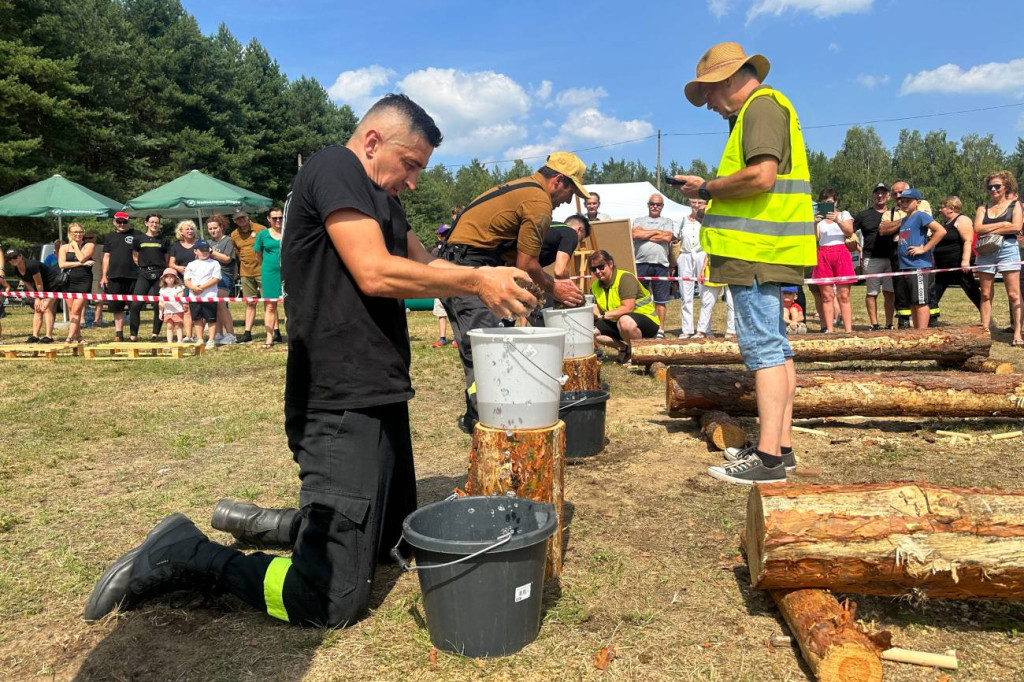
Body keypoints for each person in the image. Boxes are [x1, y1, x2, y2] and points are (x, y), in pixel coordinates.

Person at [83, 93, 536, 629]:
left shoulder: (381, 196)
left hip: (381, 389)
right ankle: (186, 553)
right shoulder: (335, 168)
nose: (413, 180)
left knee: (394, 538)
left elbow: (427, 263)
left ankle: (272, 524)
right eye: (411, 164)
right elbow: (374, 271)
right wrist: (475, 279)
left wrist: (534, 280)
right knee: (330, 598)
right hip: (337, 397)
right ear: (373, 142)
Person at [675, 41, 817, 484]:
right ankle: (782, 449)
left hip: (757, 253)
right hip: (769, 251)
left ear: (728, 79)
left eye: (709, 94)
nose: (709, 105)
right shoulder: (764, 109)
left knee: (764, 351)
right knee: (777, 348)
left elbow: (761, 176)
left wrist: (710, 188)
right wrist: (709, 187)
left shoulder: (760, 108)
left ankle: (769, 459)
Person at [440, 151, 587, 433]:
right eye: (570, 191)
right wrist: (554, 287)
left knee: (484, 347)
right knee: (486, 349)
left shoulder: (523, 187)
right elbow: (527, 263)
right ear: (558, 180)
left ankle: (487, 417)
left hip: (464, 263)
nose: (569, 201)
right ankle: (491, 424)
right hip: (468, 269)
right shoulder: (538, 201)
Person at [879, 188, 946, 330]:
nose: (904, 204)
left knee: (921, 302)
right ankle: (916, 333)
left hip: (918, 266)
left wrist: (924, 248)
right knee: (912, 302)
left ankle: (921, 333)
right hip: (905, 266)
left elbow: (941, 230)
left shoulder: (921, 215)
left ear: (918, 202)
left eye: (908, 201)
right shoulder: (904, 220)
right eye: (902, 201)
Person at [973, 171, 1023, 345]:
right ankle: (985, 330)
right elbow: (978, 229)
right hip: (986, 250)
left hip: (1008, 248)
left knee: (1014, 294)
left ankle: (1017, 333)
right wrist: (1003, 224)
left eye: (997, 186)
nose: (993, 189)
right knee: (985, 293)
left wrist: (992, 228)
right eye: (990, 187)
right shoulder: (983, 208)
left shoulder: (1015, 205)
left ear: (1006, 187)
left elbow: (1016, 227)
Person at [589, 250, 659, 363]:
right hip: (618, 322)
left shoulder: (625, 278)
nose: (597, 271)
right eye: (593, 269)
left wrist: (602, 315)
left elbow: (628, 308)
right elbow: (596, 308)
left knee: (625, 321)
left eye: (601, 267)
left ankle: (639, 354)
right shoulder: (595, 286)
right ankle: (624, 349)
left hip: (645, 321)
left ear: (610, 264)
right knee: (590, 331)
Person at [810, 188, 856, 333]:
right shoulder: (819, 219)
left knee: (844, 295)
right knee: (827, 296)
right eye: (824, 202)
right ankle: (829, 330)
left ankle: (848, 331)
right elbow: (815, 239)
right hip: (823, 254)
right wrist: (815, 223)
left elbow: (849, 231)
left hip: (841, 252)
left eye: (830, 202)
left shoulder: (844, 214)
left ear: (836, 201)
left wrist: (836, 219)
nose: (827, 204)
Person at [631, 194, 675, 338]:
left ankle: (660, 329)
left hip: (661, 264)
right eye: (652, 204)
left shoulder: (667, 221)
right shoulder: (639, 220)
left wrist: (646, 233)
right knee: (640, 298)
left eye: (658, 204)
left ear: (662, 206)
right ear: (648, 205)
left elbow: (667, 237)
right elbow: (636, 235)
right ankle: (642, 326)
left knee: (660, 299)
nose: (655, 206)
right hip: (640, 263)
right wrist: (657, 232)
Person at [855, 182, 896, 330]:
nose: (880, 196)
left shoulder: (894, 213)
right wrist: (858, 247)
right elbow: (850, 232)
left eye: (883, 193)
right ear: (873, 195)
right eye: (877, 193)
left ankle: (889, 324)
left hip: (891, 258)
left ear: (888, 196)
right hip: (871, 258)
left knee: (889, 292)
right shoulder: (863, 215)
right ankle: (874, 324)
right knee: (872, 292)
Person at [934, 196, 982, 315]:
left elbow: (968, 241)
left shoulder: (962, 220)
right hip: (943, 266)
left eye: (943, 207)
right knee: (934, 292)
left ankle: (989, 320)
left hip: (958, 265)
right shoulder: (945, 223)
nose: (940, 210)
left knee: (973, 292)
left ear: (951, 209)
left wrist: (965, 261)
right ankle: (929, 319)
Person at [6, 248, 64, 343]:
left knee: (45, 308)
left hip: (52, 284)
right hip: (39, 287)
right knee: (38, 309)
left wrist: (39, 298)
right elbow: (28, 284)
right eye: (9, 258)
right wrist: (36, 298)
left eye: (15, 257)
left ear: (20, 256)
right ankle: (35, 336)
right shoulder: (16, 269)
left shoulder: (31, 265)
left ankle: (48, 336)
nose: (13, 260)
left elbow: (39, 283)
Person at [128, 214, 170, 342]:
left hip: (160, 274)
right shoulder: (138, 238)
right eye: (151, 222)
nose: (154, 224)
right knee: (135, 305)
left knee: (159, 305)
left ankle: (155, 335)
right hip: (143, 274)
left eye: (157, 222)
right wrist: (142, 266)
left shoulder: (164, 239)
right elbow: (135, 255)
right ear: (146, 223)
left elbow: (167, 257)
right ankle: (133, 335)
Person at [100, 211, 139, 342]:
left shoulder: (137, 234)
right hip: (114, 276)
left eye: (124, 222)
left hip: (134, 275)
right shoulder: (109, 237)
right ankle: (119, 334)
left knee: (134, 306)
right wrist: (104, 275)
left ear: (129, 222)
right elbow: (106, 257)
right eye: (119, 222)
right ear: (114, 222)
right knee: (117, 307)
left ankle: (133, 334)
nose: (122, 224)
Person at [231, 209, 267, 343]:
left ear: (248, 216)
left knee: (269, 303)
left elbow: (267, 247)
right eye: (238, 219)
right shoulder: (234, 234)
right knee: (250, 302)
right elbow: (238, 253)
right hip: (246, 272)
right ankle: (247, 333)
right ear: (235, 221)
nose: (242, 220)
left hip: (263, 271)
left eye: (243, 217)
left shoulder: (261, 229)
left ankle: (275, 331)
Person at [58, 223, 96, 344]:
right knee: (71, 310)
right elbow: (62, 265)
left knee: (76, 310)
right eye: (75, 232)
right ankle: (79, 337)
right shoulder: (64, 248)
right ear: (70, 234)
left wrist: (75, 246)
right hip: (68, 281)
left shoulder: (89, 245)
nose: (78, 234)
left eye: (80, 232)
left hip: (83, 281)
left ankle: (69, 338)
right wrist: (82, 264)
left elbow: (82, 258)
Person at [183, 240, 221, 350]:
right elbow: (187, 280)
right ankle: (200, 338)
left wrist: (201, 287)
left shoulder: (214, 263)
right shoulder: (191, 264)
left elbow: (216, 278)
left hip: (210, 296)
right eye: (202, 250)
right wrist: (193, 288)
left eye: (206, 250)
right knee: (197, 318)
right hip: (194, 296)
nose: (204, 252)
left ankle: (211, 339)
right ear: (195, 251)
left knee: (211, 318)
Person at [253, 207, 283, 348]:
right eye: (275, 218)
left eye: (280, 217)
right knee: (270, 306)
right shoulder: (263, 234)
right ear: (269, 219)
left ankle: (293, 337)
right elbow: (258, 254)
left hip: (289, 273)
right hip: (269, 273)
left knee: (290, 306)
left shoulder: (290, 232)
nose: (278, 220)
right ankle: (269, 337)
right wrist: (266, 266)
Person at [675, 198, 705, 336]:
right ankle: (687, 330)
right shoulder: (681, 220)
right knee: (686, 295)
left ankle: (704, 329)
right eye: (694, 202)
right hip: (685, 256)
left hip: (701, 255)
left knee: (705, 293)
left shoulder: (707, 221)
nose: (697, 205)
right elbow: (674, 238)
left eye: (700, 203)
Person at [206, 215, 238, 345]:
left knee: (221, 304)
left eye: (215, 228)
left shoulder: (228, 241)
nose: (213, 231)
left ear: (222, 227)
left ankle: (230, 334)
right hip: (210, 276)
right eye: (210, 229)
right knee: (214, 304)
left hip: (225, 275)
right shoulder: (209, 242)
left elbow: (227, 259)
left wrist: (212, 253)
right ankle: (218, 333)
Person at [169, 220, 199, 342]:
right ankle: (189, 336)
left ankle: (200, 336)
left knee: (197, 308)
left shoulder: (199, 244)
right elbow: (171, 263)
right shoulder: (176, 246)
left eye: (192, 229)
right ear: (181, 232)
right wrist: (178, 268)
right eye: (187, 229)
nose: (190, 231)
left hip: (197, 280)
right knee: (186, 308)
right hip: (182, 281)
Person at [695, 254, 735, 338]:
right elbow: (708, 252)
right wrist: (703, 269)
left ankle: (731, 331)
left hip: (732, 269)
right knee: (706, 302)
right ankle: (703, 331)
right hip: (714, 268)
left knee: (732, 303)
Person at [430, 219, 455, 348]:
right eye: (444, 234)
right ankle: (442, 338)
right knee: (441, 313)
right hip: (440, 286)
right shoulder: (435, 252)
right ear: (439, 236)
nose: (446, 237)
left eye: (449, 233)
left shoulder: (456, 250)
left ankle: (457, 338)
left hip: (454, 287)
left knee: (455, 312)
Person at [540, 214, 590, 278]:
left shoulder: (550, 226)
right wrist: (569, 285)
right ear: (580, 230)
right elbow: (560, 272)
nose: (577, 242)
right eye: (580, 239)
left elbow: (531, 266)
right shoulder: (571, 233)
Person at [158, 268, 186, 344]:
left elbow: (181, 296)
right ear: (163, 279)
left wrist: (178, 296)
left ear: (175, 278)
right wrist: (161, 312)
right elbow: (161, 302)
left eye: (171, 276)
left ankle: (179, 341)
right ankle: (169, 342)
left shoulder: (178, 288)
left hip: (177, 310)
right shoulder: (162, 290)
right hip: (167, 311)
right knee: (169, 327)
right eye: (167, 276)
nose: (169, 278)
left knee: (178, 326)